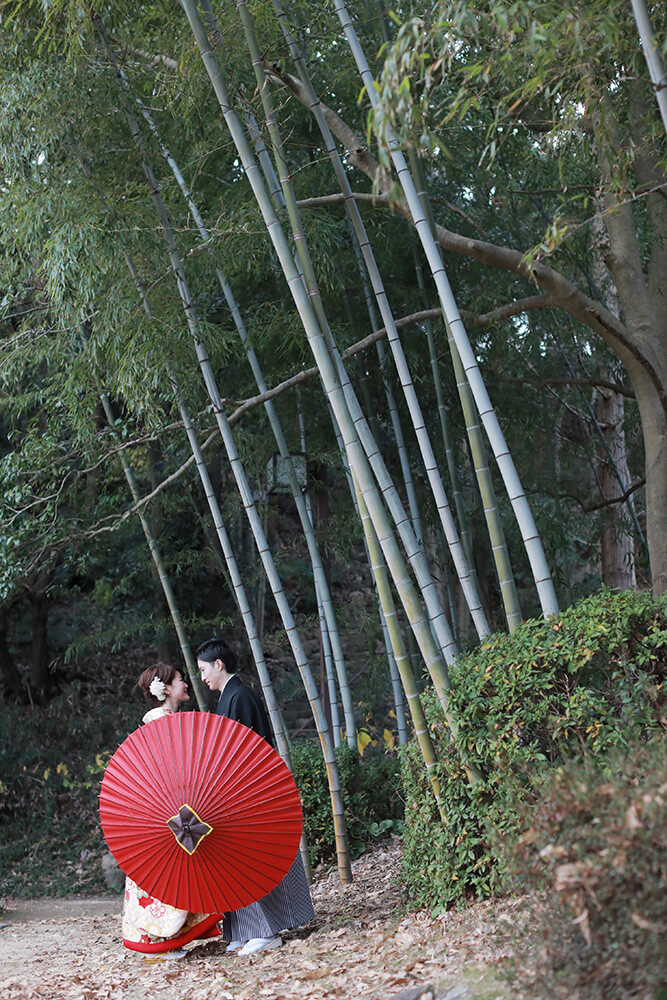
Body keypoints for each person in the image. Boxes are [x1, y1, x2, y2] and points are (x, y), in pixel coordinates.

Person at [196, 638, 315, 956]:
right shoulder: (229, 697)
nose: (203, 677)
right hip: (238, 792)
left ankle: (267, 930)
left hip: (250, 793)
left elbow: (248, 754)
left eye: (204, 669)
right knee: (236, 865)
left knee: (251, 863)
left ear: (219, 665)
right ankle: (242, 931)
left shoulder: (240, 697)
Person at [120, 662, 224, 959]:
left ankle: (165, 940)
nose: (186, 683)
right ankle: (159, 941)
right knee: (164, 878)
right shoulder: (161, 721)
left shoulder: (166, 719)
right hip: (166, 812)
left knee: (168, 877)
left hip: (172, 809)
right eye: (180, 679)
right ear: (165, 688)